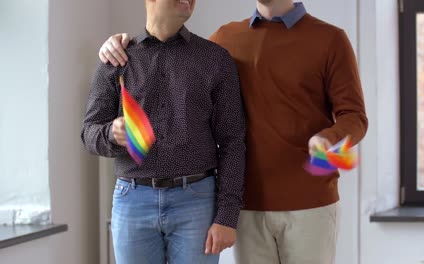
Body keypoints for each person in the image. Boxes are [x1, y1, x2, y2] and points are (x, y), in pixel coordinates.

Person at [98, 1, 368, 263]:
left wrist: (328, 138)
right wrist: (117, 44)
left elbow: (355, 117)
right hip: (248, 206)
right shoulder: (226, 38)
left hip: (311, 204)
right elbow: (174, 51)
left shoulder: (330, 39)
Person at [81, 0, 246, 263]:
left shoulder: (215, 59)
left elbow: (232, 142)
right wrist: (112, 134)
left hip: (197, 200)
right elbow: (88, 133)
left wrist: (227, 216)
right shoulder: (117, 59)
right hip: (131, 200)